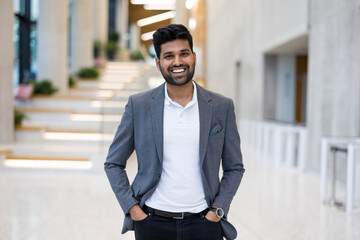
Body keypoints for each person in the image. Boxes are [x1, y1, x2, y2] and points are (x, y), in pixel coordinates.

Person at [104, 24, 245, 240]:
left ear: (194, 57)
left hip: (204, 224)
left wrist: (217, 211)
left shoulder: (220, 106)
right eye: (169, 56)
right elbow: (113, 163)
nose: (177, 62)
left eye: (184, 54)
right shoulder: (139, 105)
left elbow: (234, 167)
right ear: (158, 63)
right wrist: (133, 210)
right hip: (151, 223)